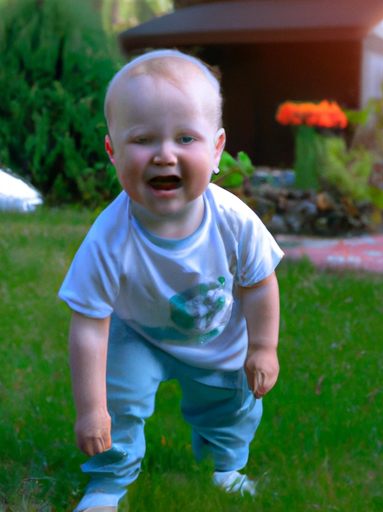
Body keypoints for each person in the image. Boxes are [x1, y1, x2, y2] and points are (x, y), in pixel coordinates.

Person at [58, 49, 283, 512]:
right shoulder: (108, 237)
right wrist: (90, 409)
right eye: (143, 139)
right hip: (138, 334)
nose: (165, 154)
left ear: (217, 149)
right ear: (112, 151)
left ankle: (225, 467)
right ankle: (108, 484)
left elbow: (260, 281)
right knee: (119, 399)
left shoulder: (233, 220)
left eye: (185, 138)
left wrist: (263, 347)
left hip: (217, 337)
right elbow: (88, 324)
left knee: (233, 407)